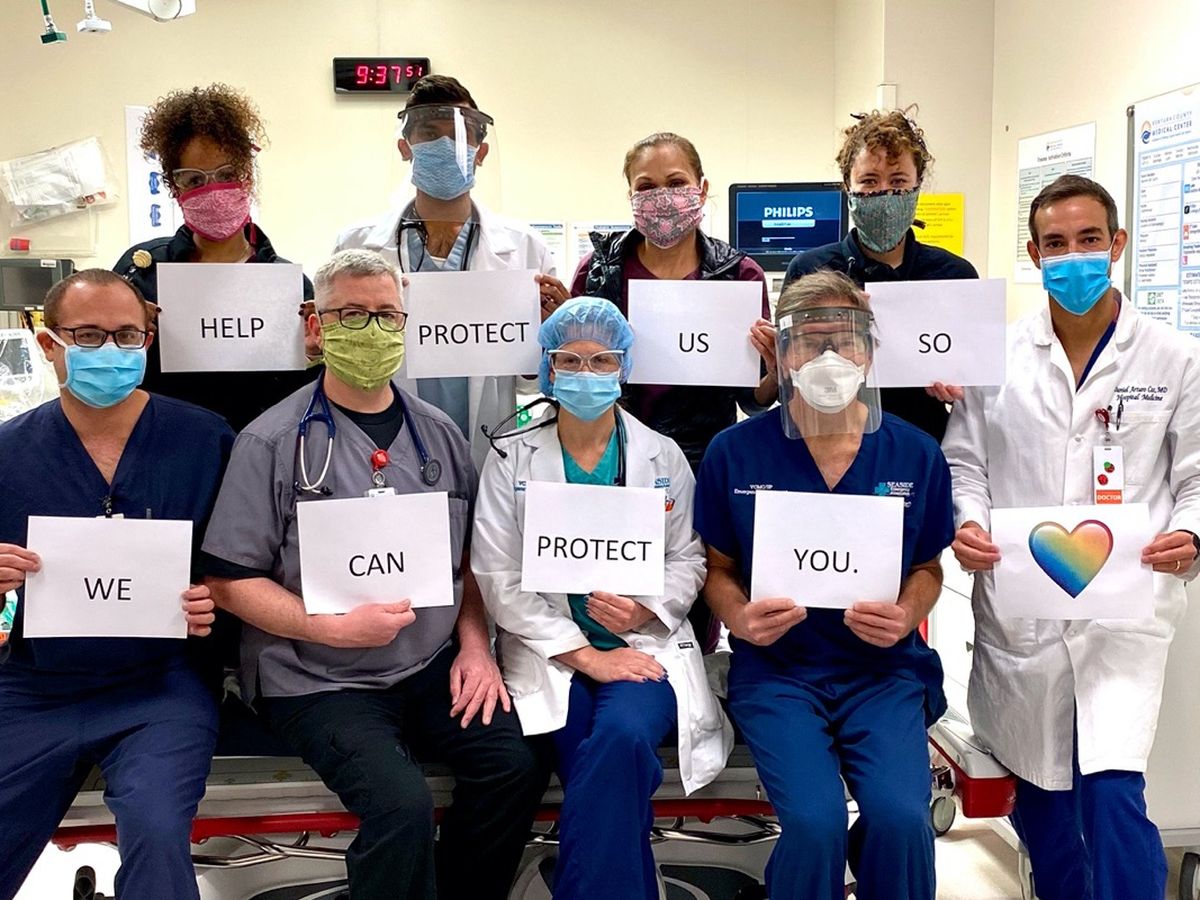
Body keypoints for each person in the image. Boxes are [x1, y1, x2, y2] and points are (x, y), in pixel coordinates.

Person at [201, 249, 544, 900]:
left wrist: (475, 648)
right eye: (351, 315)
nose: (372, 329)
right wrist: (327, 629)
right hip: (315, 676)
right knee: (400, 805)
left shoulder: (439, 435)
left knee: (512, 768)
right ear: (316, 327)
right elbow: (229, 580)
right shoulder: (271, 441)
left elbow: (471, 560)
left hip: (429, 664)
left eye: (387, 315)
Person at [942, 174, 1200, 900]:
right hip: (1024, 613)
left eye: (1089, 239)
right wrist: (968, 522)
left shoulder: (1174, 357)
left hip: (1124, 614)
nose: (1073, 255)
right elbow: (965, 464)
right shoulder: (996, 356)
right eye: (1056, 243)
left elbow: (1196, 475)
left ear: (1117, 244)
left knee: (1114, 793)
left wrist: (1191, 534)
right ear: (1034, 254)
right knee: (1046, 802)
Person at [695, 270, 953, 900]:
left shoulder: (915, 453)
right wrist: (739, 618)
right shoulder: (734, 452)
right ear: (783, 353)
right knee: (814, 824)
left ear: (869, 350)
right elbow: (717, 570)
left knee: (902, 820)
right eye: (812, 342)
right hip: (780, 672)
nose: (830, 356)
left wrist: (905, 614)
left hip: (882, 673)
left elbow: (927, 568)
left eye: (846, 340)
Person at [472, 297, 732, 900]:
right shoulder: (511, 457)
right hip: (551, 653)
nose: (585, 373)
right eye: (570, 359)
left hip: (643, 648)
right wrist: (587, 656)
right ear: (548, 367)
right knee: (599, 761)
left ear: (624, 366)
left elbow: (688, 557)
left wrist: (646, 609)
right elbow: (496, 574)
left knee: (620, 741)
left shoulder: (662, 455)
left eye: (602, 360)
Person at [0, 270, 234, 900]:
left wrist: (214, 603)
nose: (111, 350)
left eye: (127, 335)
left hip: (160, 685)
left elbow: (244, 566)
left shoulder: (206, 439)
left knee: (157, 831)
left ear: (148, 340)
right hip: (35, 687)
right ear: (48, 344)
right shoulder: (9, 453)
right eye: (88, 336)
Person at [334, 73, 558, 469]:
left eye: (459, 135)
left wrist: (549, 334)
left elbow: (531, 379)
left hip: (489, 450)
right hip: (383, 443)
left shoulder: (526, 249)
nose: (445, 145)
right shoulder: (355, 246)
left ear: (480, 151)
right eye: (429, 133)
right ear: (405, 147)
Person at [538, 132, 777, 471]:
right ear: (631, 196)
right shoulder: (598, 271)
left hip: (700, 457)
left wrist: (777, 374)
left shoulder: (737, 275)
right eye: (646, 187)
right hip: (610, 452)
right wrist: (564, 325)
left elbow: (752, 400)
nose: (662, 198)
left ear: (702, 189)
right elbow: (573, 374)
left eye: (676, 182)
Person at [113, 83, 316, 433]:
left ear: (247, 176)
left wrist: (315, 355)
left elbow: (298, 398)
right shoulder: (141, 273)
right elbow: (110, 372)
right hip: (166, 447)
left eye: (227, 175)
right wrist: (124, 332)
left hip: (257, 452)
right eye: (194, 180)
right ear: (174, 187)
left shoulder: (289, 286)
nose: (213, 190)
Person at [782, 110, 978, 441]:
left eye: (898, 181)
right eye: (870, 181)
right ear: (848, 187)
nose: (885, 194)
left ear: (917, 186)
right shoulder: (810, 271)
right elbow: (786, 381)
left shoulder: (955, 276)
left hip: (926, 443)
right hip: (826, 443)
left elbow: (976, 386)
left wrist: (961, 387)